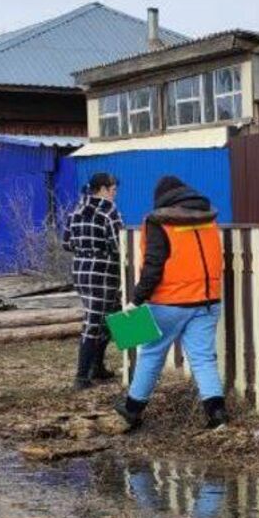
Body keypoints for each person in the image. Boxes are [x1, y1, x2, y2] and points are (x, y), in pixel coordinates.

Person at [116, 175, 227, 430]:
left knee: (152, 354)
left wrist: (136, 299)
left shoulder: (158, 222)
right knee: (203, 359)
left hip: (169, 302)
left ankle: (132, 410)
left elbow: (153, 267)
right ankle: (217, 415)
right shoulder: (208, 219)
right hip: (208, 300)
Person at [63, 172, 124, 390]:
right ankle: (82, 376)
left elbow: (66, 243)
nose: (115, 193)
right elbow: (119, 245)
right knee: (96, 321)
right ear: (103, 189)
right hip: (104, 272)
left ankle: (97, 367)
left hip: (80, 271)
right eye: (113, 189)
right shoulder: (109, 212)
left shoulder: (76, 210)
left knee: (114, 316)